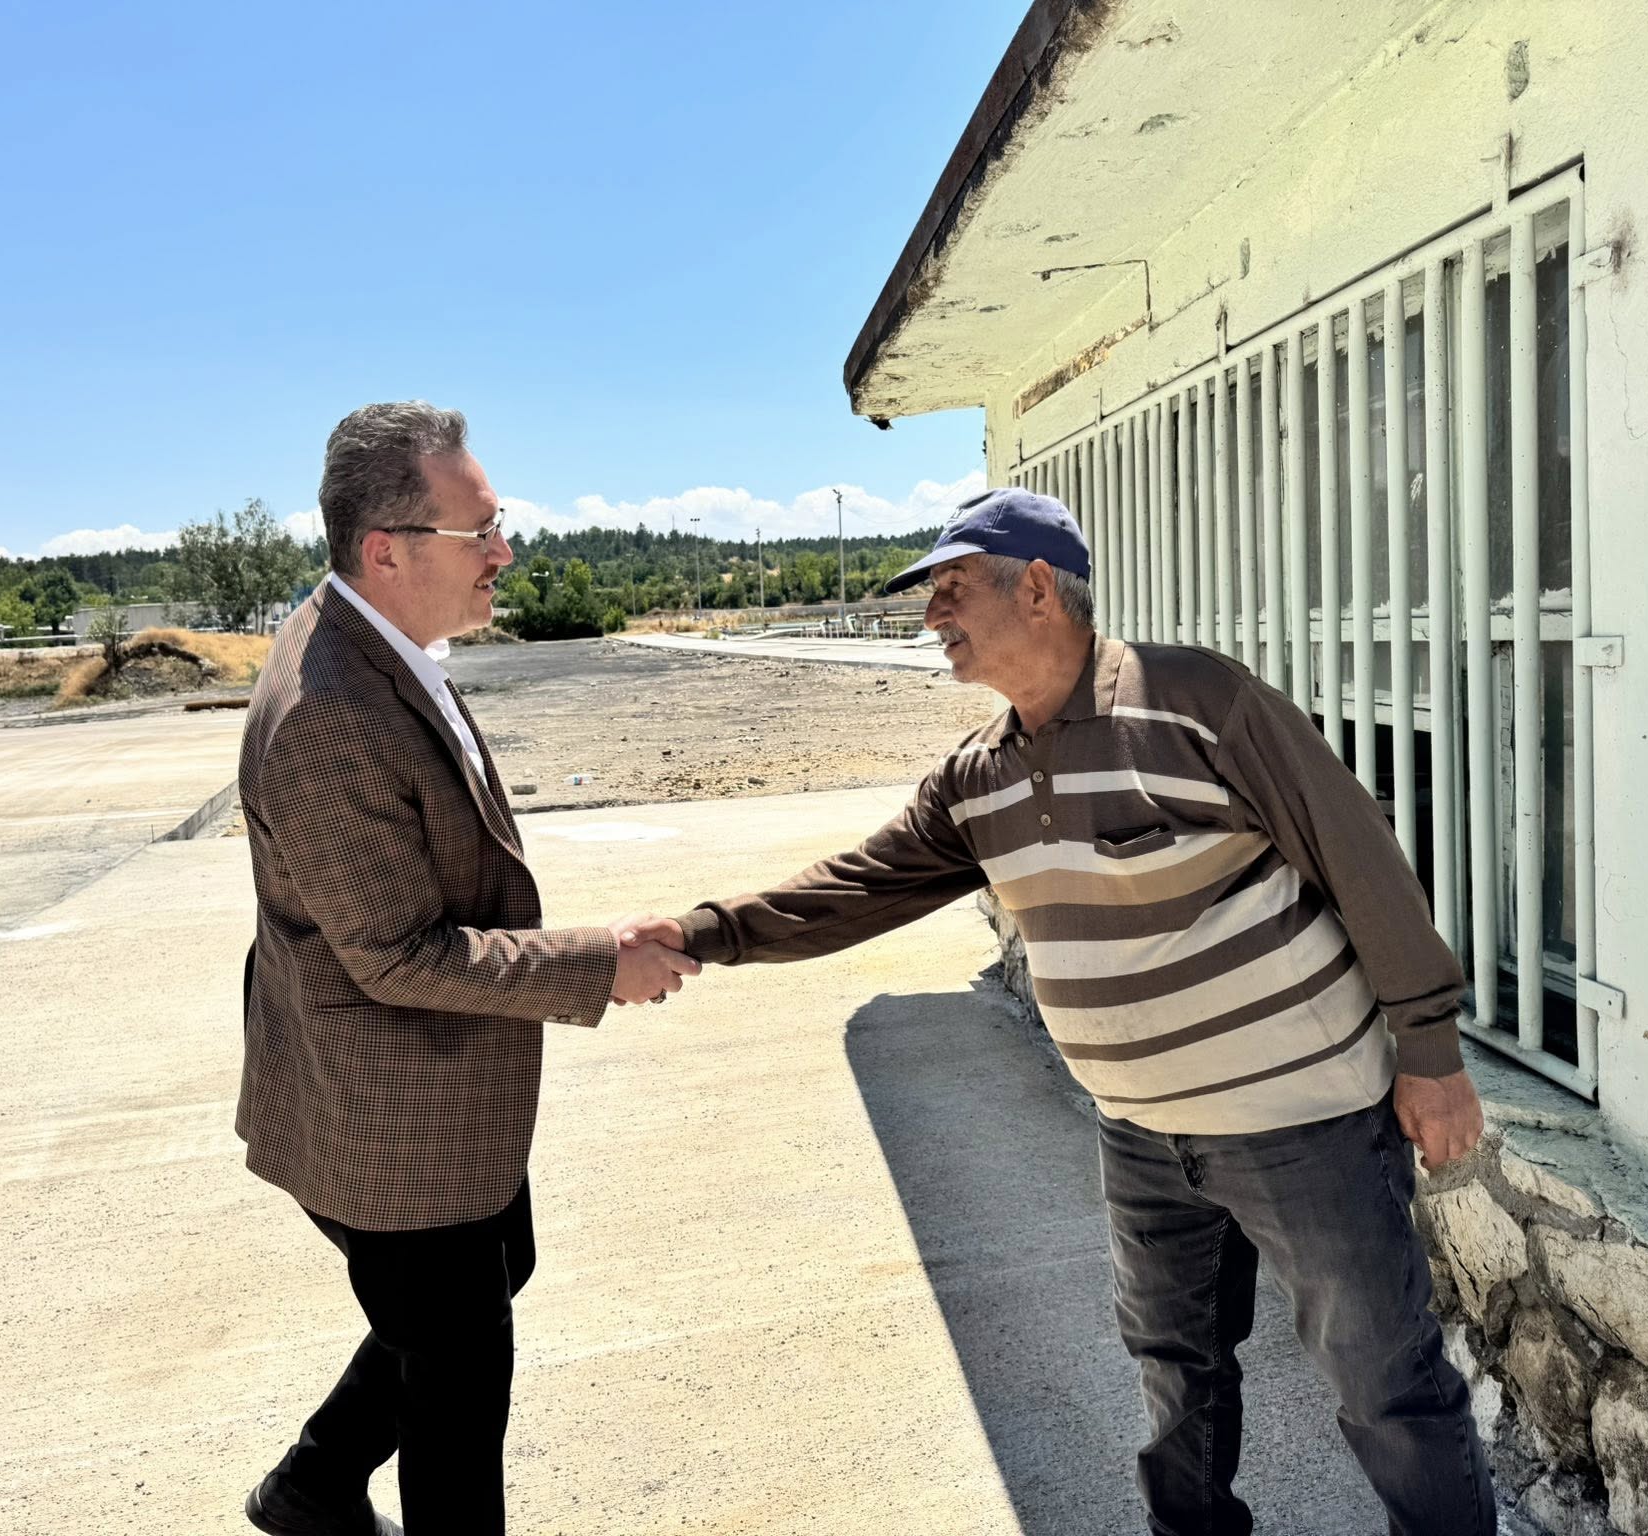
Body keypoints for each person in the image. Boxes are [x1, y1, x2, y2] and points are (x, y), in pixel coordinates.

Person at [633, 487, 1496, 1535]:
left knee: (1382, 1382)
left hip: (1299, 1122)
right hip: (1137, 1133)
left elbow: (1354, 851)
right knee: (1171, 1364)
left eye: (949, 590)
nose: (928, 617)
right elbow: (859, 885)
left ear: (1036, 588)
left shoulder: (1194, 701)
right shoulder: (976, 777)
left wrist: (1430, 1047)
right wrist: (704, 931)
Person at [235, 400, 698, 1536]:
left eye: (500, 525)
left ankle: (308, 1485)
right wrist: (599, 963)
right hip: (385, 1117)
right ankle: (312, 1489)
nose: (504, 554)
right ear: (383, 550)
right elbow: (393, 953)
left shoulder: (381, 645)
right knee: (458, 1387)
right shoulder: (329, 712)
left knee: (490, 1280)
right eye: (477, 532)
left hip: (431, 1097)